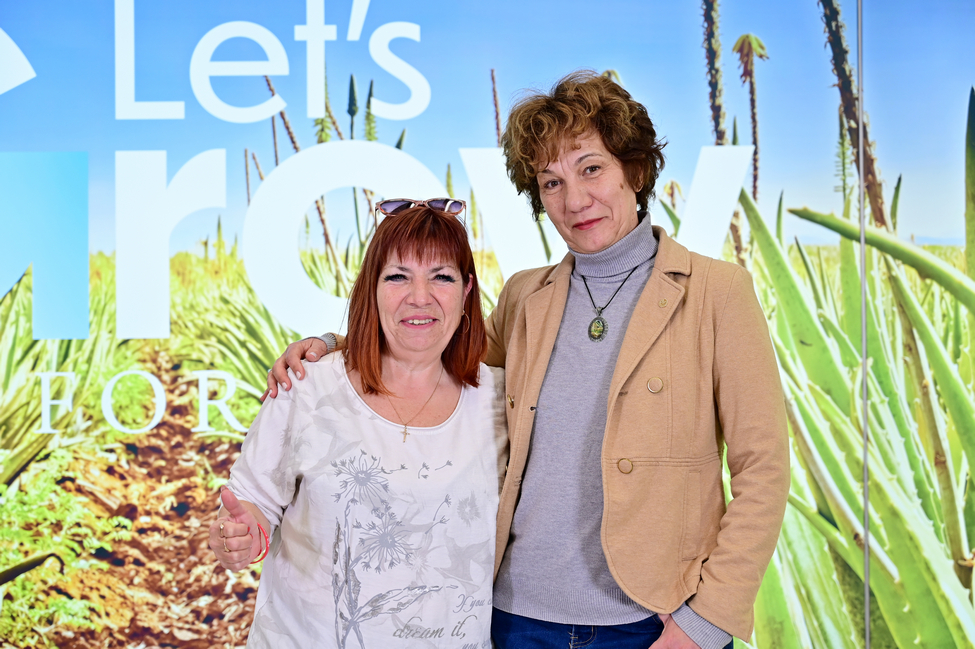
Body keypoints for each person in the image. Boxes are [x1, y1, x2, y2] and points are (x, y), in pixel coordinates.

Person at [265, 71, 789, 649]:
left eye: (591, 169)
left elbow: (763, 470)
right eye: (551, 182)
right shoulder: (525, 296)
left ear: (635, 171)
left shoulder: (717, 293)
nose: (575, 200)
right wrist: (333, 346)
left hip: (653, 623)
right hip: (513, 619)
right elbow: (437, 357)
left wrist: (705, 623)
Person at [209, 201, 508, 649]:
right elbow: (253, 504)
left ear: (466, 290)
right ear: (372, 287)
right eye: (398, 276)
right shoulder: (308, 386)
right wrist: (239, 536)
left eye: (441, 277)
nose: (420, 296)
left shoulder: (502, 401)